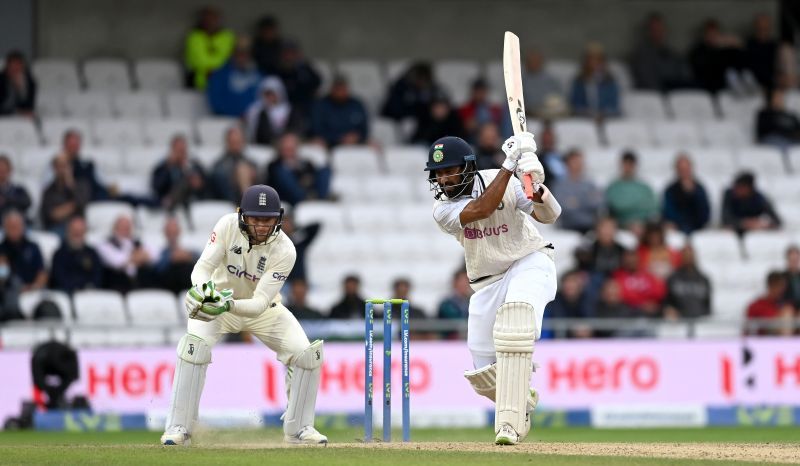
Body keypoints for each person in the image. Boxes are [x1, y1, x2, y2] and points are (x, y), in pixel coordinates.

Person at [161, 185, 328, 445]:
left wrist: (226, 305)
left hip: (260, 311)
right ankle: (180, 427)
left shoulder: (286, 249)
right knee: (193, 349)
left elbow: (260, 302)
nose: (262, 226)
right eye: (255, 218)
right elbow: (202, 268)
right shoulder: (227, 225)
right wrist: (204, 291)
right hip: (216, 303)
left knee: (306, 355)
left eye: (268, 219)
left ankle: (299, 430)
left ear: (279, 218)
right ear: (242, 215)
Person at [427, 133, 560, 444]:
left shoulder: (507, 180)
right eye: (439, 174)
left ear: (468, 167)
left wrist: (537, 187)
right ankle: (521, 400)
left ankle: (509, 427)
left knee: (515, 323)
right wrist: (511, 164)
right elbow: (482, 210)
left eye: (450, 170)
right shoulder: (441, 210)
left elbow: (551, 215)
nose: (444, 180)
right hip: (487, 281)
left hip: (529, 260)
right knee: (483, 374)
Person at [265, 132, 331, 206]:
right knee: (282, 173)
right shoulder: (274, 165)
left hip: (308, 192)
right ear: (280, 147)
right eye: (286, 146)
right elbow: (276, 183)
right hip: (286, 197)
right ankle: (305, 199)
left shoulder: (306, 163)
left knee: (325, 170)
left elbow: (312, 178)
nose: (289, 148)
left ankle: (319, 200)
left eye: (291, 146)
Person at [630, 13, 692, 92]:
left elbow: (685, 73)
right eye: (654, 29)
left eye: (660, 28)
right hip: (654, 93)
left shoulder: (672, 52)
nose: (658, 32)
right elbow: (646, 78)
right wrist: (663, 92)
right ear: (649, 31)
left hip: (675, 91)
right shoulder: (641, 53)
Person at [96, 215, 157, 293]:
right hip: (117, 286)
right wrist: (137, 257)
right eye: (122, 226)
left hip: (138, 284)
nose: (126, 229)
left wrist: (133, 259)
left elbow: (153, 256)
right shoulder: (106, 244)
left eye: (128, 227)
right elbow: (116, 262)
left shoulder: (136, 242)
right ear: (115, 228)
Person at [206, 37, 262, 118]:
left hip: (253, 120)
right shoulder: (219, 76)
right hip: (226, 120)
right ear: (233, 53)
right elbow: (216, 103)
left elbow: (263, 101)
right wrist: (238, 114)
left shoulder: (258, 76)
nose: (242, 57)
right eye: (239, 53)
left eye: (246, 53)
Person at [151, 134, 209, 212]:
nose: (181, 153)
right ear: (172, 150)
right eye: (178, 150)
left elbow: (206, 183)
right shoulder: (164, 167)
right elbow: (157, 187)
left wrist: (199, 184)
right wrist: (169, 167)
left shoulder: (195, 165)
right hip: (169, 203)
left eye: (183, 150)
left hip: (193, 201)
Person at [550, 149, 602, 234]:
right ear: (567, 164)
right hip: (568, 227)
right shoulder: (559, 185)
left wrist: (576, 202)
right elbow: (561, 208)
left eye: (580, 161)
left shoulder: (590, 183)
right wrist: (587, 199)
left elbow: (598, 203)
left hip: (590, 226)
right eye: (575, 161)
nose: (579, 164)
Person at [604, 151, 658, 233]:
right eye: (626, 164)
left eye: (631, 165)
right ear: (621, 165)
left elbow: (653, 206)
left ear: (635, 166)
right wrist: (638, 206)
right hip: (620, 226)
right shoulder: (613, 187)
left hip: (643, 225)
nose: (628, 168)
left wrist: (638, 220)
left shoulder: (644, 187)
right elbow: (617, 206)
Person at [184, 6, 235, 89]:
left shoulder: (227, 36)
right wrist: (209, 68)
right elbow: (196, 58)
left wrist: (215, 70)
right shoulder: (194, 36)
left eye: (213, 18)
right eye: (207, 19)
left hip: (223, 76)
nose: (210, 22)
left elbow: (226, 56)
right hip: (199, 77)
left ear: (218, 19)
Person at [311, 75, 369, 148]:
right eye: (338, 89)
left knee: (373, 145)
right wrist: (338, 138)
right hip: (329, 143)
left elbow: (364, 128)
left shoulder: (356, 105)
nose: (341, 92)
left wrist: (356, 137)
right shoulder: (321, 105)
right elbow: (317, 129)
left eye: (343, 88)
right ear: (332, 89)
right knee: (317, 143)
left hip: (355, 143)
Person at [50, 216, 103, 294]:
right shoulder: (59, 254)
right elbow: (59, 278)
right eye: (75, 231)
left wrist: (88, 287)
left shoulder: (92, 253)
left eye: (81, 231)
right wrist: (76, 288)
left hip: (89, 293)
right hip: (67, 294)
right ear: (68, 231)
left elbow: (98, 276)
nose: (78, 234)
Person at [276, 40, 322, 130]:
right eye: (287, 53)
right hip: (285, 107)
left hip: (305, 106)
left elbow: (317, 81)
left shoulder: (305, 68)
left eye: (292, 53)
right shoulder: (278, 70)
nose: (289, 56)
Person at [40, 154, 91, 235]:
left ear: (70, 167)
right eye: (59, 166)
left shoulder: (82, 185)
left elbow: (82, 203)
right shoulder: (49, 190)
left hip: (77, 227)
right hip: (57, 228)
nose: (62, 169)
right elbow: (51, 215)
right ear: (54, 169)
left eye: (65, 165)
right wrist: (73, 205)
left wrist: (70, 184)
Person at [662, 154, 711, 235]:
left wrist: (693, 193)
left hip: (698, 227)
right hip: (678, 227)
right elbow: (669, 213)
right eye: (681, 169)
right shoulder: (670, 190)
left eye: (686, 169)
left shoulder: (700, 189)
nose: (684, 172)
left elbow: (705, 213)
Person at [568, 43, 620, 119]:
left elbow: (614, 106)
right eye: (591, 59)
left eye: (598, 59)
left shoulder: (610, 81)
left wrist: (603, 113)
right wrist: (586, 112)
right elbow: (574, 104)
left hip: (607, 119)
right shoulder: (579, 81)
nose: (594, 63)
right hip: (584, 119)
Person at [245, 77, 301, 146]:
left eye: (273, 94)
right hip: (264, 146)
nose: (270, 97)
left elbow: (294, 129)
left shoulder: (289, 110)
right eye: (267, 94)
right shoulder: (257, 111)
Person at [0, 210, 47, 292]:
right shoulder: (1, 249)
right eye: (11, 227)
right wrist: (2, 270)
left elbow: (42, 273)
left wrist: (33, 287)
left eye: (16, 226)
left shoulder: (33, 247)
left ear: (23, 226)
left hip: (32, 290)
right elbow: (2, 279)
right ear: (5, 228)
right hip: (8, 291)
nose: (14, 230)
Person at [611, 249, 666, 317]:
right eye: (628, 258)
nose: (631, 260)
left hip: (650, 311)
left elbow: (659, 292)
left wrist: (652, 302)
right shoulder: (617, 275)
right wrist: (641, 304)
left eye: (633, 257)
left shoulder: (648, 274)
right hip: (628, 311)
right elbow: (621, 294)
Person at [57, 130, 109, 202]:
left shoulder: (87, 164)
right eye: (71, 144)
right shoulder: (56, 165)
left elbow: (101, 183)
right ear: (65, 145)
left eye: (75, 145)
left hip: (96, 196)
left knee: (128, 198)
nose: (73, 148)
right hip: (76, 200)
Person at [663, 245, 712, 320]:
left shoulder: (704, 279)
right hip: (679, 321)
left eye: (691, 255)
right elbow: (667, 302)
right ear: (681, 257)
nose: (689, 258)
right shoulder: (673, 278)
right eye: (686, 255)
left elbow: (707, 305)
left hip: (700, 321)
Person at [211, 126, 257, 203]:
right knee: (242, 170)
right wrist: (235, 176)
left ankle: (247, 202)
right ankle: (247, 202)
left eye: (238, 142)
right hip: (230, 199)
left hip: (251, 195)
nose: (235, 146)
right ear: (227, 143)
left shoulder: (251, 163)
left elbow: (262, 181)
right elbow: (217, 182)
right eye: (233, 142)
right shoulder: (220, 164)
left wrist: (253, 176)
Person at [153, 217, 198, 294]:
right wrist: (171, 258)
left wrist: (188, 256)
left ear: (179, 232)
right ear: (165, 233)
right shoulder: (158, 250)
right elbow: (157, 268)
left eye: (174, 231)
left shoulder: (189, 248)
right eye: (170, 232)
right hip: (168, 285)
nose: (172, 235)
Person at [543, 270, 593, 339]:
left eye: (573, 281)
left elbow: (589, 319)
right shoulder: (554, 299)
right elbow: (558, 320)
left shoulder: (586, 298)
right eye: (567, 282)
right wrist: (574, 328)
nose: (570, 285)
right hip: (558, 340)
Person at [745, 271, 795, 336]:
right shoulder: (756, 306)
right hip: (764, 341)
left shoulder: (785, 305)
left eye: (784, 287)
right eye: (780, 286)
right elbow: (747, 330)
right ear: (771, 285)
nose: (783, 290)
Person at [521, 49, 566, 118]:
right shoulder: (520, 82)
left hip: (550, 115)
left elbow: (560, 98)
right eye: (530, 61)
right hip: (528, 116)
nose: (533, 63)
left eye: (535, 61)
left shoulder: (551, 81)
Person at [745, 13, 779, 91]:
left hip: (772, 85)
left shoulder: (775, 46)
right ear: (756, 27)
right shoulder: (749, 45)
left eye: (765, 27)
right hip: (752, 85)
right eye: (760, 27)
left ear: (769, 28)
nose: (762, 29)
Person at [0, 50, 36, 117]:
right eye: (13, 65)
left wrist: (20, 89)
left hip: (19, 119)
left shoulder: (29, 82)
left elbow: (29, 106)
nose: (16, 68)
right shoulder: (1, 80)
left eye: (18, 64)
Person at [534, 121, 567, 187]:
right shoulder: (536, 160)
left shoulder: (563, 157)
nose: (548, 142)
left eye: (550, 140)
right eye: (545, 140)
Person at [0, 154, 32, 219]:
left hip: (16, 224)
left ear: (10, 170)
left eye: (4, 170)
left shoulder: (19, 189)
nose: (2, 173)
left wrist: (6, 200)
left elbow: (27, 203)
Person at [0, 253, 24, 322]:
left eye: (3, 264)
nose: (1, 266)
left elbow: (12, 308)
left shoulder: (15, 282)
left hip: (13, 321)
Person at [782, 245, 800, 311]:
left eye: (796, 259)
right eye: (792, 260)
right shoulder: (782, 277)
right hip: (787, 306)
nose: (794, 262)